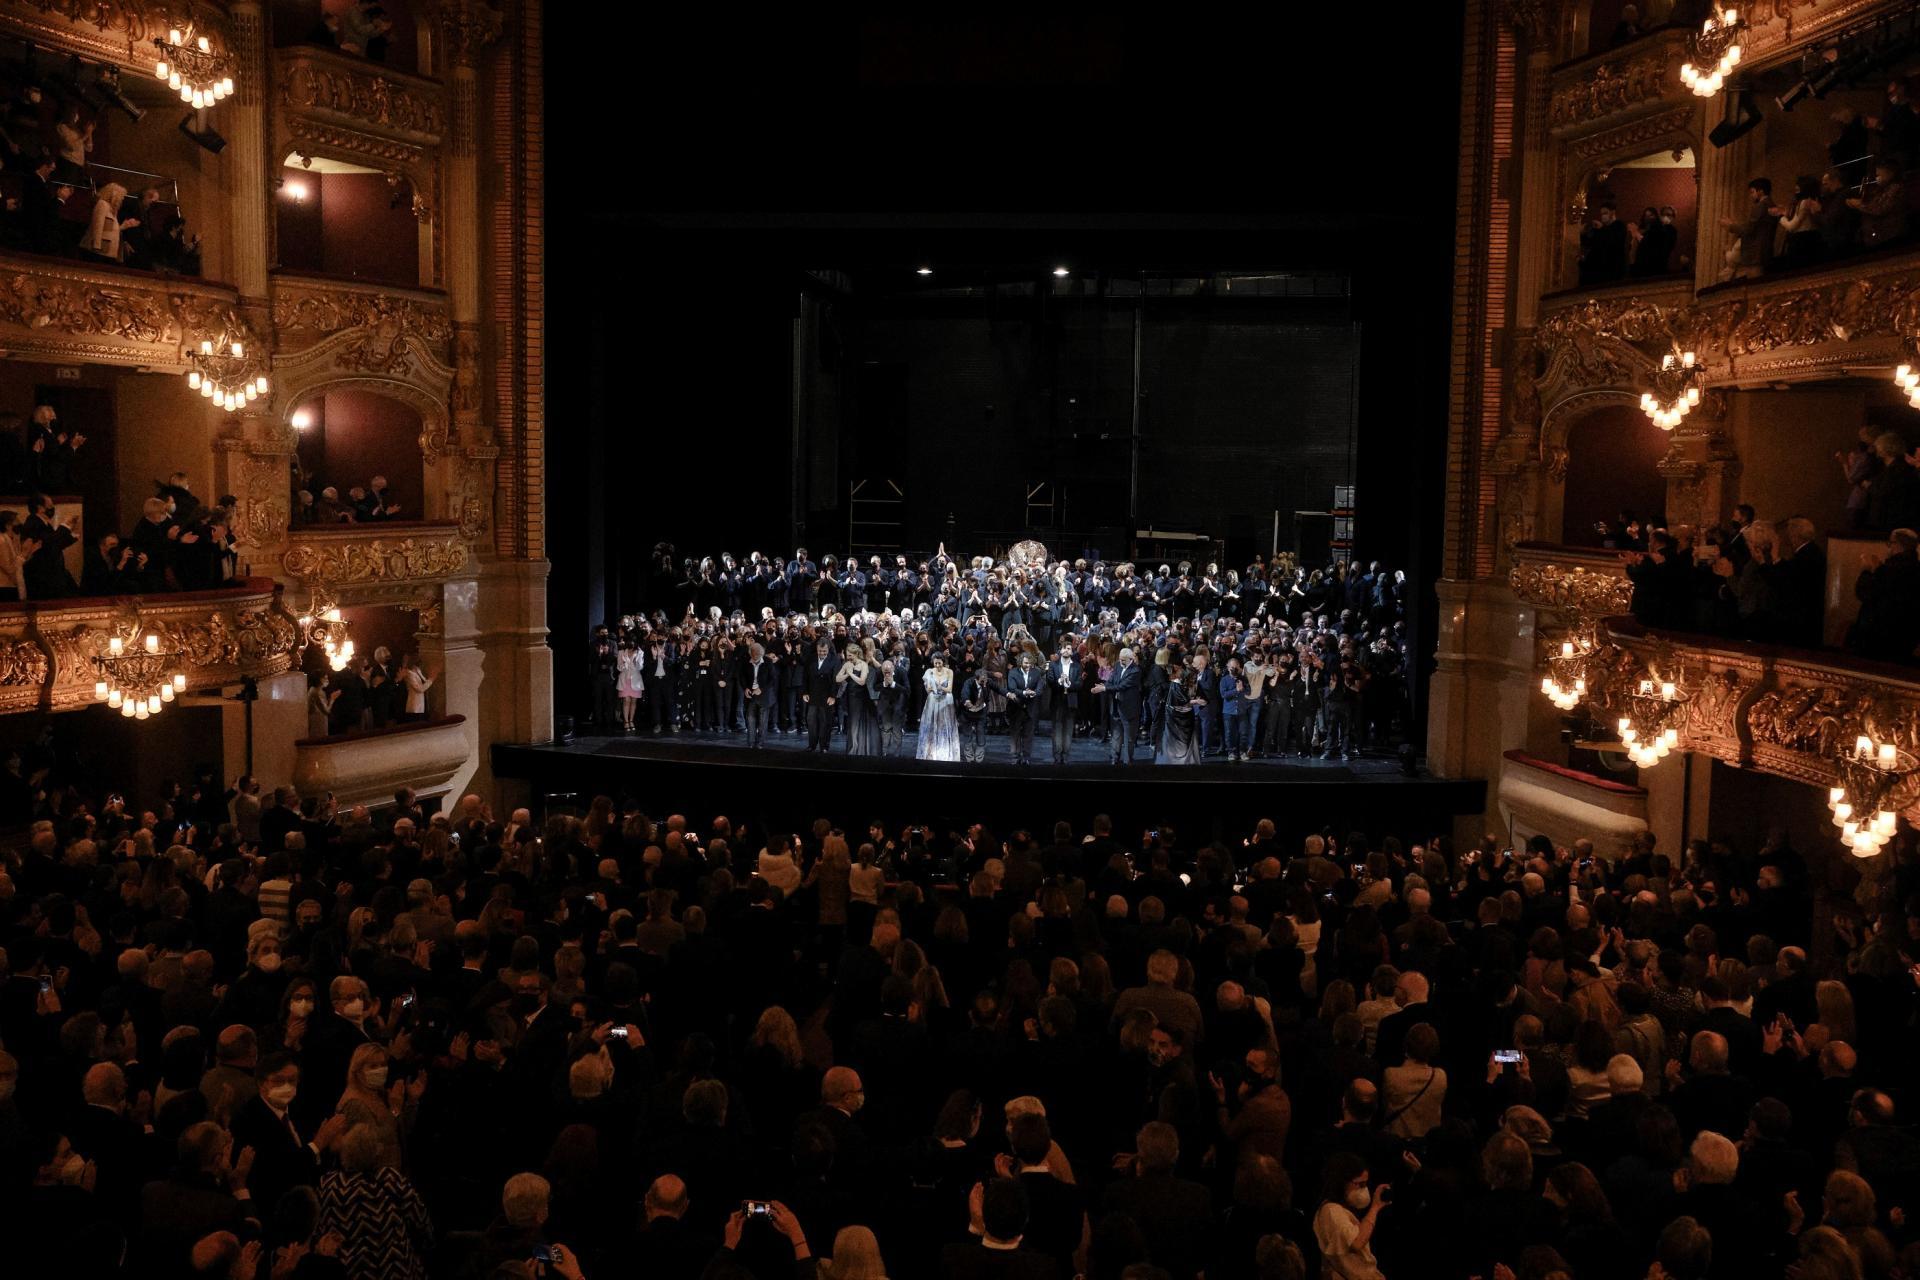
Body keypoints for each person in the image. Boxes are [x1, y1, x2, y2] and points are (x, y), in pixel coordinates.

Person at [1847, 527, 1920, 663]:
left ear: (1897, 545)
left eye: (1890, 543)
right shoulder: (1915, 568)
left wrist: (1867, 571)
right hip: (1906, 637)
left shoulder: (1891, 570)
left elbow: (1864, 593)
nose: (1888, 547)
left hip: (1878, 637)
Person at [1097, 646, 1143, 765]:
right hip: (1116, 705)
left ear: (1130, 659)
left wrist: (1105, 688)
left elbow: (1122, 686)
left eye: (1123, 660)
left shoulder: (1135, 671)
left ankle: (1128, 762)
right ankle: (1114, 758)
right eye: (1120, 659)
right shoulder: (1118, 665)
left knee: (1128, 738)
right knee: (1116, 735)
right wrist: (1104, 685)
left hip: (1129, 708)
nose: (1121, 662)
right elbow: (1112, 680)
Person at [919, 652, 961, 762]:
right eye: (935, 663)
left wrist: (940, 687)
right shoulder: (929, 671)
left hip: (946, 701)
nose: (937, 665)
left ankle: (945, 754)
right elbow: (928, 689)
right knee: (931, 725)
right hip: (933, 701)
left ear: (943, 661)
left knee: (944, 725)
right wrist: (929, 687)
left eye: (939, 663)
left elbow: (950, 689)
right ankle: (931, 753)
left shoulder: (949, 672)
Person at [1004, 650, 1043, 766]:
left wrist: (1035, 693)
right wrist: (1024, 693)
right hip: (1016, 707)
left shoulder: (1036, 672)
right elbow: (1011, 688)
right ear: (1021, 662)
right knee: (1015, 734)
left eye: (1030, 663)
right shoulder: (1013, 672)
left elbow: (1040, 686)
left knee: (1028, 734)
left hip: (1031, 708)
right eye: (1026, 663)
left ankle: (1026, 757)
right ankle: (1015, 757)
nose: (1028, 665)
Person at [1045, 642, 1079, 765]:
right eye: (1064, 648)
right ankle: (1057, 755)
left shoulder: (1076, 666)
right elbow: (1049, 681)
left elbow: (1079, 684)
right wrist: (1059, 682)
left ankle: (1065, 755)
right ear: (1060, 650)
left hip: (1071, 701)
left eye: (1069, 649)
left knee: (1068, 730)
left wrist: (1070, 684)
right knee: (1057, 729)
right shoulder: (1054, 665)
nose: (1066, 650)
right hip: (1057, 701)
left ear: (1072, 651)